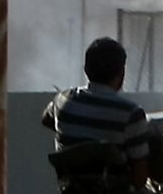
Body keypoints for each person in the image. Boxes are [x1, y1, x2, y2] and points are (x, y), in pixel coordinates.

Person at [43, 37, 152, 165]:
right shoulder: (131, 114)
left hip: (70, 183)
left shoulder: (63, 99)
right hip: (114, 185)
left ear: (86, 70)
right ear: (121, 72)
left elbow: (46, 119)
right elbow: (139, 179)